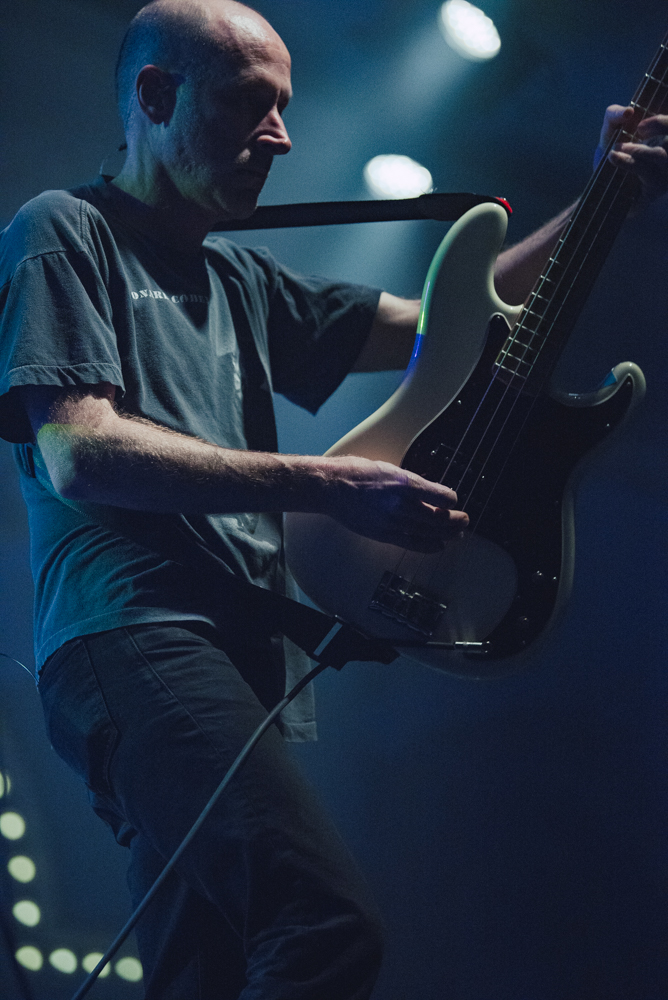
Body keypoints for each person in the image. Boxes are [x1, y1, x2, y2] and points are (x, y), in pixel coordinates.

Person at [0, 2, 666, 997]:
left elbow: (442, 320)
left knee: (206, 970)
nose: (280, 136)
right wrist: (326, 483)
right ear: (154, 95)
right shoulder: (64, 229)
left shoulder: (239, 277)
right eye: (248, 103)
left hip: (233, 656)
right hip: (135, 633)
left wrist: (601, 197)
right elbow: (80, 453)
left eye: (284, 107)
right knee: (322, 924)